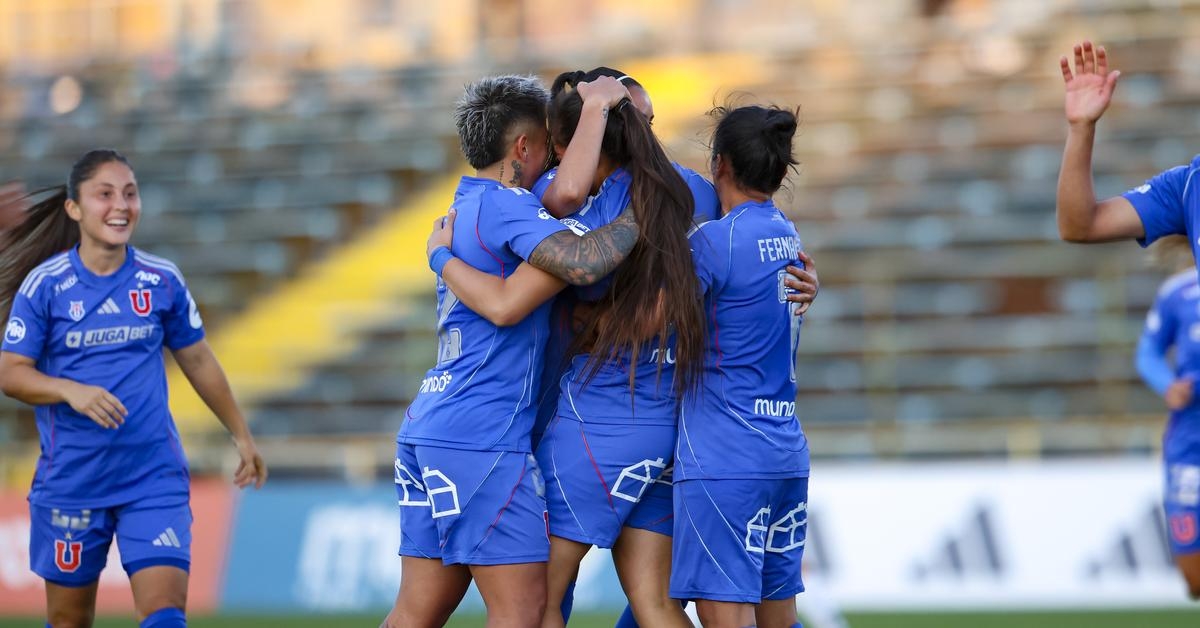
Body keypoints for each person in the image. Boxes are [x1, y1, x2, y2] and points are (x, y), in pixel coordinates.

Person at [386, 75, 645, 628]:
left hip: (433, 424)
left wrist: (439, 258)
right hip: (482, 435)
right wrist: (646, 209)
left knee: (414, 613)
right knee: (524, 612)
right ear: (524, 146)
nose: (557, 158)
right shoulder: (508, 206)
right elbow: (580, 262)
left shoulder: (467, 204)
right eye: (550, 145)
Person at [0, 148, 267, 628]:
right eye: (104, 194)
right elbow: (11, 373)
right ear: (74, 208)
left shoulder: (160, 279)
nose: (121, 205)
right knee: (68, 621)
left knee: (165, 615)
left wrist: (241, 434)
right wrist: (69, 390)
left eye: (130, 193)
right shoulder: (45, 287)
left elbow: (198, 359)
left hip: (152, 477)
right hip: (72, 482)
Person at [672, 104, 811, 628]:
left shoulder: (714, 241)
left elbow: (650, 321)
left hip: (726, 455)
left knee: (724, 614)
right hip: (784, 451)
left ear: (720, 164)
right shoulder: (787, 234)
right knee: (778, 617)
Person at [1135, 235, 1200, 599]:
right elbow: (1148, 351)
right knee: (1195, 579)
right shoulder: (1178, 292)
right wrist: (1168, 385)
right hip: (1191, 437)